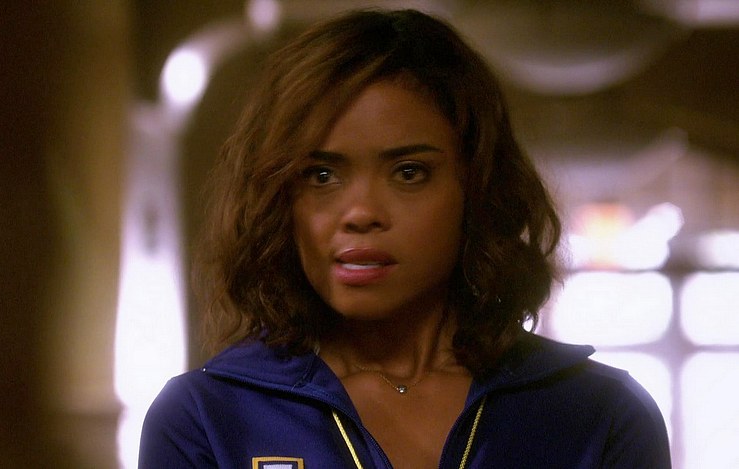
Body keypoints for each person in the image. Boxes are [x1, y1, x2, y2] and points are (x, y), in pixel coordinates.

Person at [139, 9, 671, 469]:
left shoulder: (598, 412)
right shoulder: (209, 415)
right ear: (281, 201)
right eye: (321, 175)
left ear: (477, 189)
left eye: (409, 172)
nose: (361, 213)